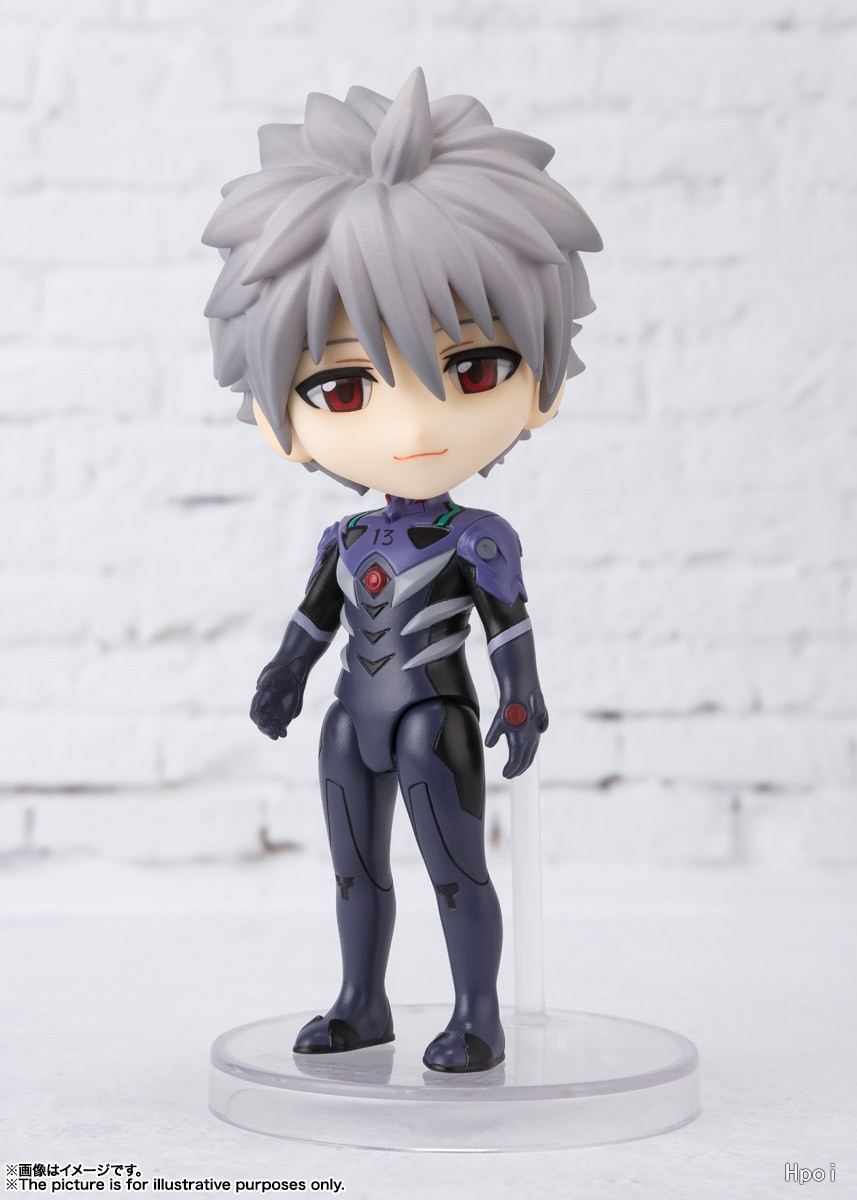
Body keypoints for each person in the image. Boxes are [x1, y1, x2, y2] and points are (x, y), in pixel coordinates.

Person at [202, 68, 601, 1073]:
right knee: (353, 872)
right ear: (278, 415)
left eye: (471, 369)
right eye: (343, 386)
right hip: (352, 718)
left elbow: (509, 631)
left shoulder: (478, 539)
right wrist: (283, 675)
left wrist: (522, 700)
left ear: (538, 383)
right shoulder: (346, 542)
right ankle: (359, 1002)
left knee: (455, 874)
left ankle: (477, 1015)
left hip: (433, 719)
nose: (414, 422)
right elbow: (312, 623)